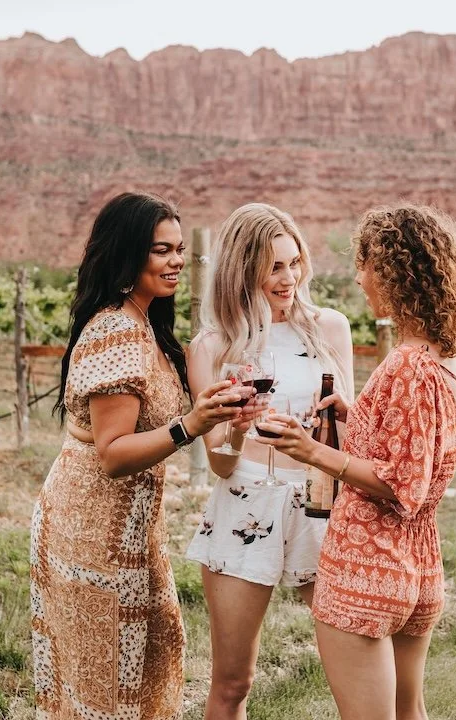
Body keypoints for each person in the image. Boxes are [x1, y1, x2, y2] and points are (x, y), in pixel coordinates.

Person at [256, 203, 456, 720]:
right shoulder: (451, 357)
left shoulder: (406, 363)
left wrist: (311, 450)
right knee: (411, 714)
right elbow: (418, 449)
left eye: (369, 265)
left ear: (400, 273)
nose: (360, 277)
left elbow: (399, 482)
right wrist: (355, 415)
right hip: (419, 563)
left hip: (366, 563)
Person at [30, 191, 248, 720]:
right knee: (106, 686)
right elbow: (113, 453)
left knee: (149, 659)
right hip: (91, 533)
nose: (175, 261)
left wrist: (224, 419)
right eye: (160, 251)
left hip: (130, 529)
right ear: (128, 255)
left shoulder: (143, 323)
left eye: (178, 249)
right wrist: (193, 424)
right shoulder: (117, 332)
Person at [184, 203, 353, 719]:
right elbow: (220, 463)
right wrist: (234, 431)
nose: (289, 278)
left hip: (320, 503)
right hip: (244, 504)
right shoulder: (211, 347)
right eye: (274, 267)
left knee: (354, 669)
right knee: (234, 683)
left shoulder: (330, 328)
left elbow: (349, 431)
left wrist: (347, 416)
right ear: (242, 268)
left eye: (294, 262)